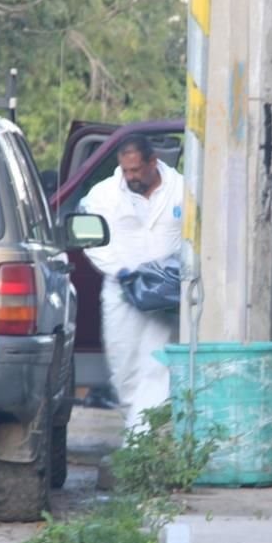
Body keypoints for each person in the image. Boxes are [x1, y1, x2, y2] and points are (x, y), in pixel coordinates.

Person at [79, 134, 183, 429]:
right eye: (126, 171)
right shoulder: (104, 195)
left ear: (153, 162)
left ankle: (143, 440)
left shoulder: (182, 190)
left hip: (165, 295)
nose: (131, 177)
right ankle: (137, 431)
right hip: (121, 290)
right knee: (123, 370)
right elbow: (92, 241)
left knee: (158, 367)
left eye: (136, 170)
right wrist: (122, 272)